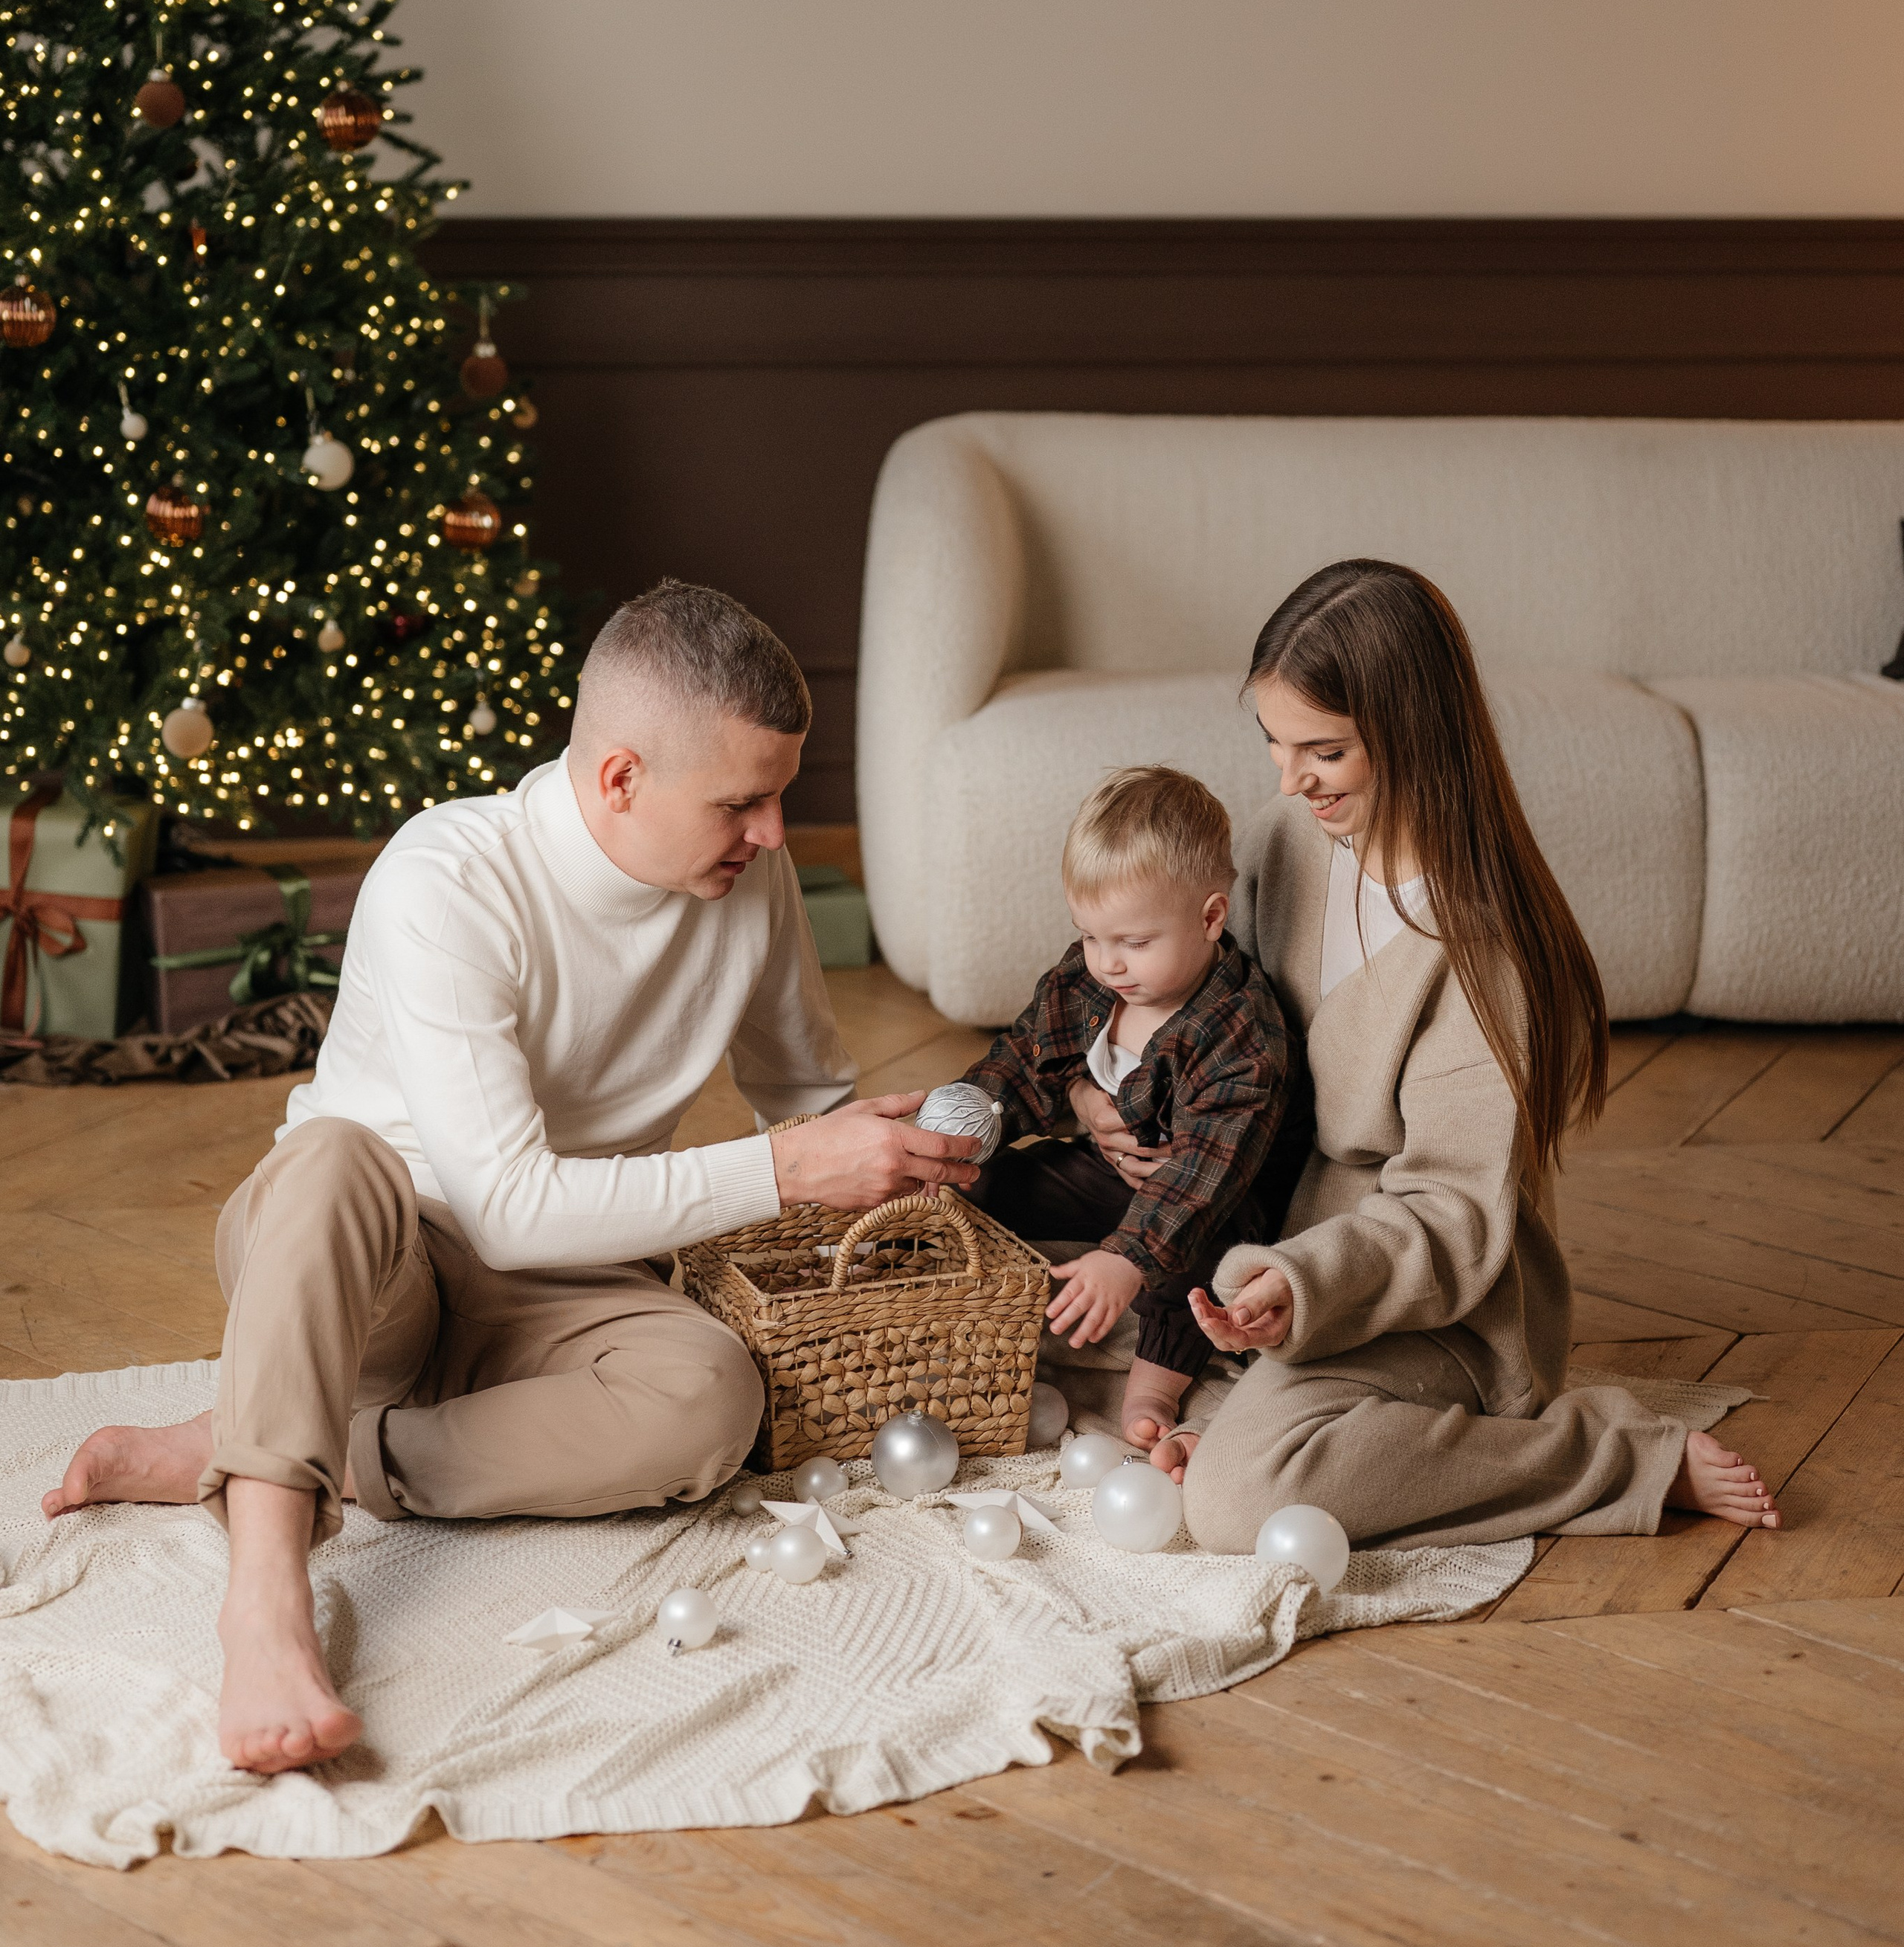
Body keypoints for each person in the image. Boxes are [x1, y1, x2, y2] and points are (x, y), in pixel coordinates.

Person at [42, 580, 981, 1774]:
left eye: (782, 796)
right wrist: (791, 1168)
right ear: (621, 778)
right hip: (369, 1265)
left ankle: (258, 1436)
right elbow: (508, 1205)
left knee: (709, 1397)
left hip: (568, 1282)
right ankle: (267, 1600)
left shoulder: (751, 881)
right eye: (742, 802)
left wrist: (897, 1180)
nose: (775, 835)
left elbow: (802, 1096)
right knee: (336, 1159)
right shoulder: (449, 877)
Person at [1072, 559, 1781, 1546]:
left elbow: (1451, 1215)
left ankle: (1610, 1457)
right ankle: (1271, 1415)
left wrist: (1304, 1284)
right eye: (1274, 743)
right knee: (1059, 1318)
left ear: (1409, 737)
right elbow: (1204, 1011)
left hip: (1428, 1298)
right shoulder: (1287, 839)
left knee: (1241, 1500)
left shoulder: (1483, 954)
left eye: (1323, 750)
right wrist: (1100, 1094)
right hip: (1264, 1258)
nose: (1287, 779)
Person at [962, 765, 1305, 1453]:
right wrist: (965, 1126)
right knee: (994, 1181)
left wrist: (1127, 1258)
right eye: (1090, 936)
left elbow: (1203, 1174)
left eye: (1134, 943)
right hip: (1104, 1172)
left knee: (1198, 1263)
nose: (1107, 963)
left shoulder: (1240, 1036)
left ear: (1211, 918)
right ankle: (951, 1291)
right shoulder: (1089, 980)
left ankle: (1156, 1382)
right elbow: (1028, 1060)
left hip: (1207, 1200)